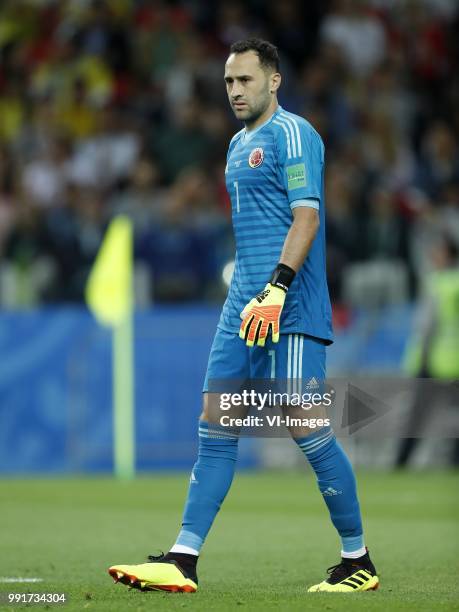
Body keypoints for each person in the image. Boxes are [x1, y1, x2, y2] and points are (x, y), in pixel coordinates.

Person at [108, 38, 379, 594]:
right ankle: (183, 559)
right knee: (215, 421)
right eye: (229, 82)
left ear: (274, 81)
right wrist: (252, 294)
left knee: (305, 425)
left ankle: (358, 561)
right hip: (243, 309)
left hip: (292, 303)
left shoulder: (295, 133)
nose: (235, 90)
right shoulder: (235, 145)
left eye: (246, 80)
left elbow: (307, 217)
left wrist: (278, 286)